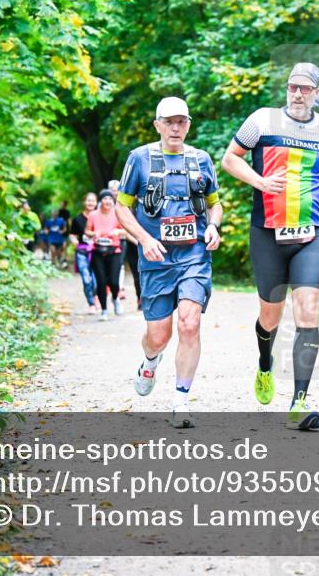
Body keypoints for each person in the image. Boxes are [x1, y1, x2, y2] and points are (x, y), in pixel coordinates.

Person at [220, 63, 319, 431]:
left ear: (316, 93)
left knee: (308, 310)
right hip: (268, 233)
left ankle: (299, 402)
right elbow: (230, 159)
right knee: (270, 317)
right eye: (293, 86)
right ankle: (265, 364)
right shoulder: (262, 120)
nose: (297, 93)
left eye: (305, 88)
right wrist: (260, 182)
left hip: (312, 232)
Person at [115, 96, 222, 429]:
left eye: (181, 122)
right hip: (157, 257)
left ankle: (180, 401)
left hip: (194, 255)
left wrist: (214, 226)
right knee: (158, 336)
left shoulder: (202, 160)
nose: (176, 128)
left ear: (188, 125)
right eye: (169, 122)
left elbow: (214, 204)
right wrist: (144, 239)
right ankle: (150, 361)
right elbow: (122, 207)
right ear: (157, 125)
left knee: (189, 323)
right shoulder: (140, 158)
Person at [84, 190, 129, 320]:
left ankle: (115, 299)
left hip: (114, 251)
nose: (107, 201)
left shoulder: (117, 213)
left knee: (114, 281)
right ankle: (104, 310)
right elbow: (87, 231)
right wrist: (94, 233)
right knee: (101, 281)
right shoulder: (93, 215)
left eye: (110, 199)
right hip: (97, 252)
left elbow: (126, 231)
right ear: (101, 201)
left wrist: (117, 231)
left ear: (113, 201)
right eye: (105, 199)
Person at [109, 178, 142, 310]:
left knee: (145, 273)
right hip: (130, 245)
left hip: (142, 242)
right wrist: (139, 241)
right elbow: (125, 229)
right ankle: (140, 299)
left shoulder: (141, 206)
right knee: (136, 273)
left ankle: (146, 298)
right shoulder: (118, 207)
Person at [68, 192, 98, 314]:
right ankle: (91, 303)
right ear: (84, 202)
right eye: (88, 200)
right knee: (86, 279)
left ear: (96, 203)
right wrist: (75, 242)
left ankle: (96, 296)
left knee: (96, 279)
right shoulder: (77, 219)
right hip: (82, 252)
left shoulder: (100, 217)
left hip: (97, 251)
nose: (90, 203)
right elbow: (72, 234)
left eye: (93, 200)